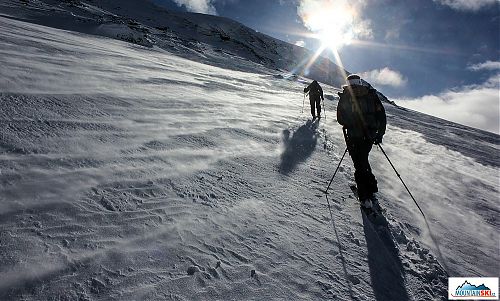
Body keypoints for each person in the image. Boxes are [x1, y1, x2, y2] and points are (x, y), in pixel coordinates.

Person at [336, 74, 386, 210]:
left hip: (353, 136)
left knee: (359, 163)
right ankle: (371, 188)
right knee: (363, 160)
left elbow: (340, 118)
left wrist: (351, 123)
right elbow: (381, 116)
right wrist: (379, 134)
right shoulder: (370, 95)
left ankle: (365, 197)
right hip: (369, 136)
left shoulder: (346, 96)